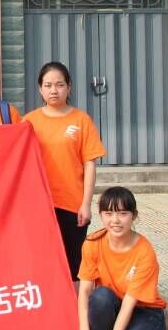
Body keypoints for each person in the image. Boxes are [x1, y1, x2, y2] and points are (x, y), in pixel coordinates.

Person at [23, 62, 106, 282]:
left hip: (72, 204)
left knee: (73, 265)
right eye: (48, 85)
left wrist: (86, 204)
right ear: (40, 89)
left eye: (59, 85)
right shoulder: (29, 122)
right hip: (40, 205)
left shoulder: (81, 120)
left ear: (69, 87)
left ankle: (76, 304)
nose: (54, 90)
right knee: (41, 263)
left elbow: (89, 164)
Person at [78, 186, 167, 330]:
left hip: (144, 311)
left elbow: (129, 304)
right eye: (108, 213)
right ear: (101, 215)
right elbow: (84, 292)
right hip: (113, 304)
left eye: (123, 213)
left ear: (134, 216)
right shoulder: (92, 243)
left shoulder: (144, 251)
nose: (115, 220)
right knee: (100, 297)